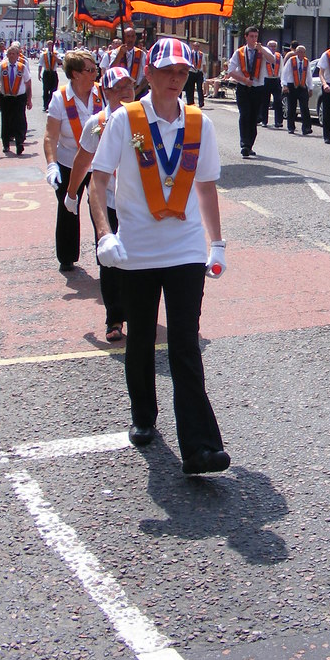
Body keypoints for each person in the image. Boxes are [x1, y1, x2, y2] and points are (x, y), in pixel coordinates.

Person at [88, 37, 230, 475]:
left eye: (183, 72)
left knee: (186, 341)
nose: (175, 79)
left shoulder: (198, 122)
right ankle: (143, 416)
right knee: (143, 339)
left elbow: (205, 186)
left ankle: (201, 448)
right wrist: (104, 234)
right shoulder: (124, 120)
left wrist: (217, 242)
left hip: (185, 247)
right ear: (147, 73)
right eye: (167, 70)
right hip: (138, 248)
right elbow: (97, 181)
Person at [65, 67, 135, 343]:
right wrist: (72, 194)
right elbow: (82, 160)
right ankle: (115, 318)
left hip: (139, 203)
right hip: (107, 202)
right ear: (106, 92)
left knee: (139, 258)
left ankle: (139, 311)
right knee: (110, 260)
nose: (126, 91)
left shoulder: (144, 117)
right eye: (119, 88)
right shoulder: (97, 122)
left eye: (129, 85)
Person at [43, 50, 103, 272]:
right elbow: (50, 136)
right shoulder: (60, 98)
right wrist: (52, 165)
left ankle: (105, 255)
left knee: (101, 206)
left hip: (98, 162)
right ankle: (67, 256)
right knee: (68, 207)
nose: (95, 73)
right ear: (75, 74)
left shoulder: (102, 94)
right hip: (69, 161)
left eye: (95, 68)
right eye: (90, 70)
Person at [227, 25, 276, 158]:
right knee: (245, 114)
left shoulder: (262, 50)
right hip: (243, 88)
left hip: (258, 88)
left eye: (256, 36)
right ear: (246, 37)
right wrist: (243, 79)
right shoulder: (239, 52)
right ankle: (244, 144)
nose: (254, 39)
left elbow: (273, 60)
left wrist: (262, 50)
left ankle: (249, 145)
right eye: (252, 36)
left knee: (254, 117)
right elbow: (230, 70)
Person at [0, 44, 32, 156]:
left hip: (19, 98)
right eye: (9, 54)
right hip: (6, 98)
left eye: (14, 54)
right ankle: (6, 144)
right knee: (6, 121)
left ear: (18, 55)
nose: (11, 56)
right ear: (7, 55)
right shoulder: (1, 66)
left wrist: (29, 99)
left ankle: (19, 143)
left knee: (19, 120)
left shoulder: (22, 67)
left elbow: (28, 84)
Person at [281, 44, 313, 135]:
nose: (301, 54)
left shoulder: (307, 62)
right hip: (292, 86)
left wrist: (310, 88)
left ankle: (306, 128)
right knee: (291, 107)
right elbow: (284, 73)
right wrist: (284, 85)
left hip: (302, 87)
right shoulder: (291, 61)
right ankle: (291, 127)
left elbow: (309, 76)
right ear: (296, 52)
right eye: (299, 52)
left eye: (303, 52)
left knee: (304, 108)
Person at [109, 27, 147, 97]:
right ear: (123, 37)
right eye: (128, 36)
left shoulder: (141, 54)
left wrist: (137, 90)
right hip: (120, 91)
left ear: (135, 38)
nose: (130, 39)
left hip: (137, 91)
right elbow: (111, 70)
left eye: (132, 36)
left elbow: (146, 74)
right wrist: (120, 55)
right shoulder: (116, 52)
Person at [38, 40, 61, 112]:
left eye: (51, 45)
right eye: (49, 45)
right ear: (47, 46)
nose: (50, 46)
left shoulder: (56, 53)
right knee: (45, 90)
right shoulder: (43, 54)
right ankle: (45, 105)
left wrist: (54, 56)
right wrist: (39, 73)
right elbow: (40, 64)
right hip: (47, 73)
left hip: (53, 73)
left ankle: (52, 105)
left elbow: (60, 62)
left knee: (53, 90)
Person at [184, 40, 205, 108]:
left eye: (198, 46)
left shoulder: (201, 54)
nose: (196, 47)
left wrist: (204, 73)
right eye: (195, 46)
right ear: (193, 46)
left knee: (199, 88)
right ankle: (190, 102)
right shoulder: (189, 53)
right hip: (191, 72)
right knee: (190, 88)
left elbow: (204, 64)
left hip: (199, 72)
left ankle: (201, 102)